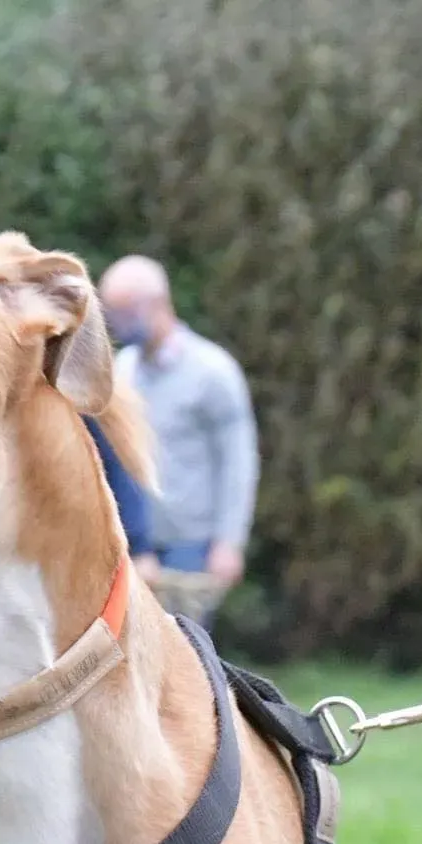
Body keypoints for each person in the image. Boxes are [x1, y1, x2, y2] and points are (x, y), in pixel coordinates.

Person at [97, 254, 259, 629]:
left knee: (190, 658)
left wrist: (229, 542)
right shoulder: (123, 371)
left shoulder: (212, 371)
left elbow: (238, 462)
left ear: (156, 304)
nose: (116, 325)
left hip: (193, 546)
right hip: (137, 544)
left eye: (124, 312)